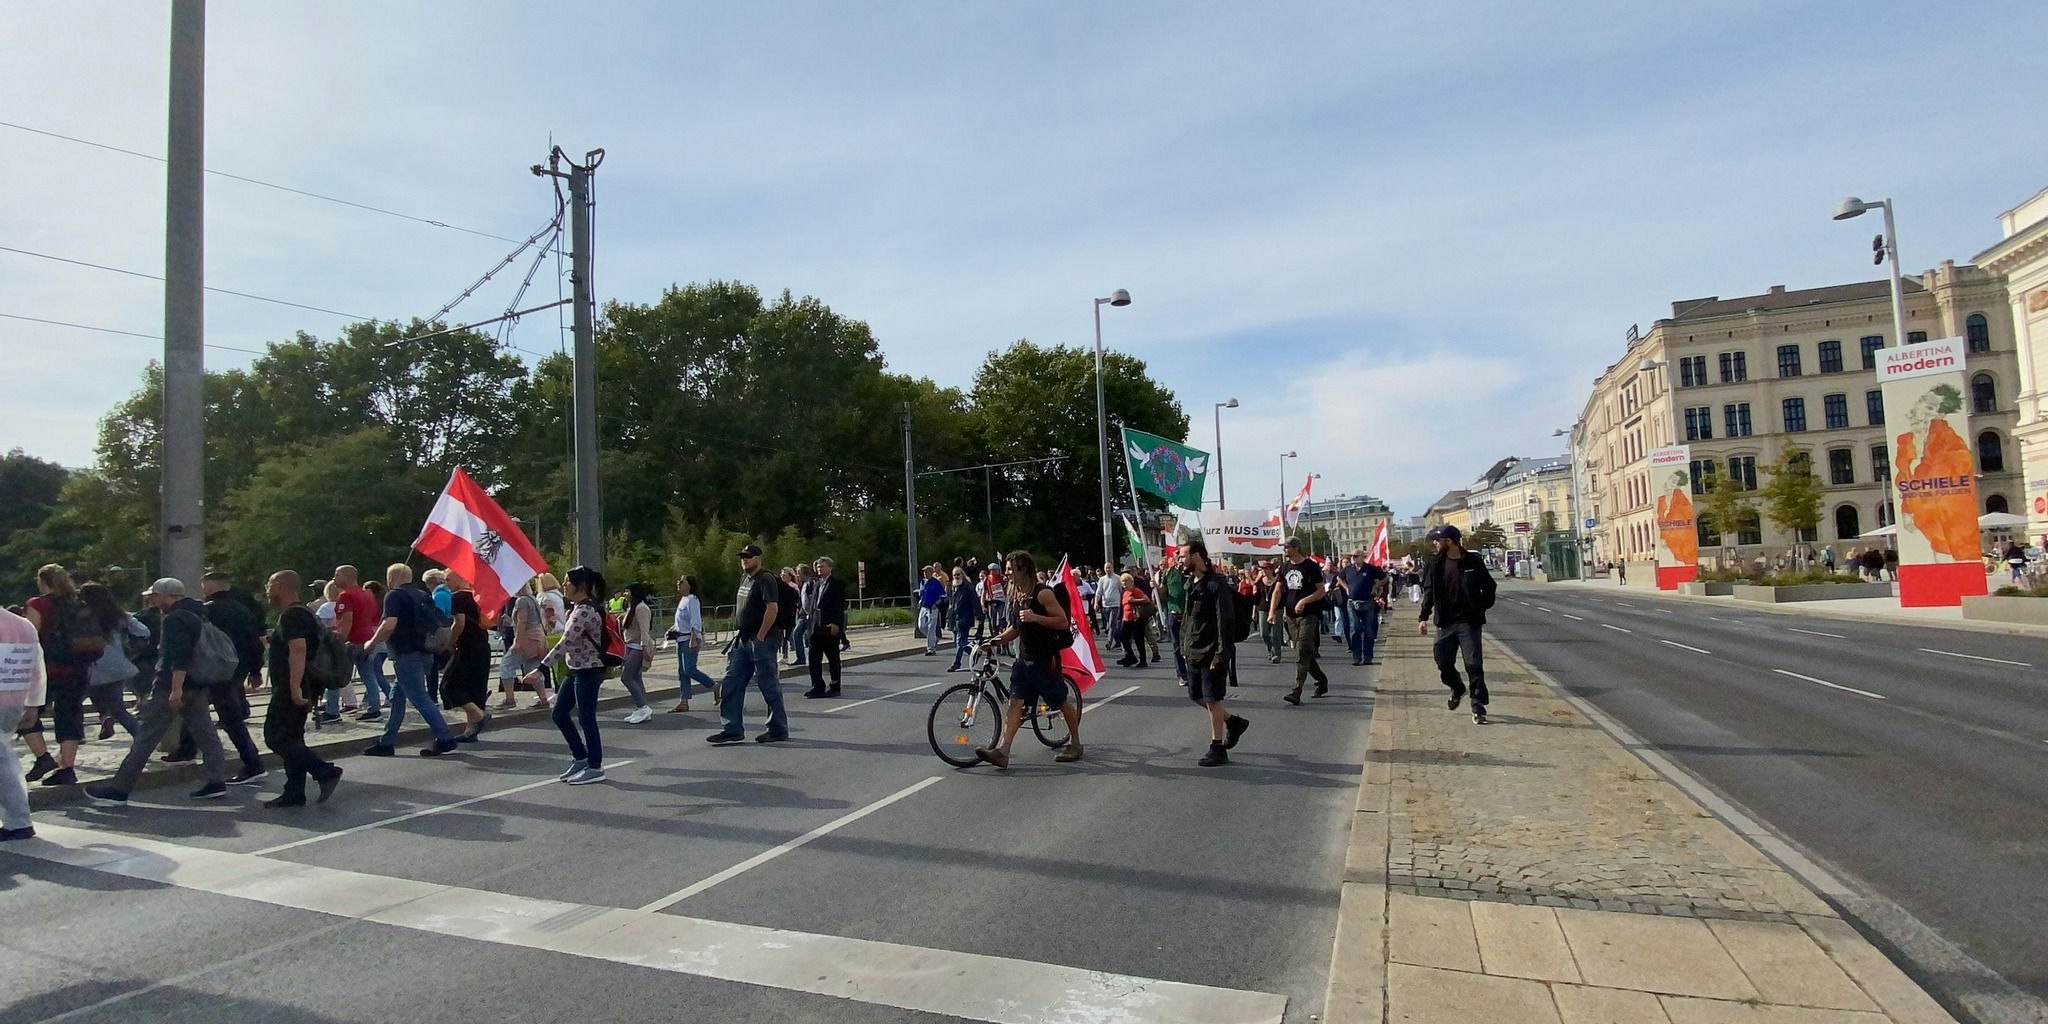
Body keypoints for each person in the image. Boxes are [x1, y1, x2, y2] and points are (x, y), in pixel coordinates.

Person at [86, 578, 231, 803]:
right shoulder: (199, 614)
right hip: (197, 684)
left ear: (167, 595)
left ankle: (119, 788)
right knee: (206, 735)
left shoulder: (175, 618)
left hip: (172, 686)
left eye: (155, 595)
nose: (152, 600)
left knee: (146, 737)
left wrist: (175, 689)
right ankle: (216, 781)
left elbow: (179, 655)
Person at [973, 550, 1085, 768]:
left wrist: (1036, 617)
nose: (1006, 573)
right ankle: (1003, 751)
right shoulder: (1017, 594)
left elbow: (1062, 621)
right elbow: (1015, 628)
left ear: (1023, 569)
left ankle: (1076, 744)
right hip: (1024, 660)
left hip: (1044, 660)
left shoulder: (1043, 594)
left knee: (1060, 701)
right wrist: (993, 641)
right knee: (1015, 703)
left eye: (1009, 569)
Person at [258, 570, 343, 808]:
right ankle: (294, 792)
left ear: (281, 586)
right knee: (293, 737)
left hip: (294, 686)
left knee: (275, 736)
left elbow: (298, 649)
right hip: (304, 684)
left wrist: (294, 687)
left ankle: (324, 771)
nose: (267, 590)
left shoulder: (293, 615)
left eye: (270, 584)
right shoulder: (304, 613)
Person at [174, 573, 268, 784]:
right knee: (223, 715)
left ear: (207, 588)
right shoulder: (243, 610)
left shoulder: (207, 611)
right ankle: (251, 762)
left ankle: (189, 750)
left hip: (212, 669)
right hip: (236, 669)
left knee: (210, 712)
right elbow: (255, 643)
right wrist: (255, 670)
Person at [361, 563, 460, 757]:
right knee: (397, 698)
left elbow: (389, 624)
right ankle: (387, 741)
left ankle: (445, 738)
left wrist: (371, 643)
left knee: (420, 698)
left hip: (406, 654)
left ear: (391, 578)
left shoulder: (394, 595)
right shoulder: (422, 595)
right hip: (425, 652)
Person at [524, 565, 611, 784]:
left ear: (579, 586)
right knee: (559, 713)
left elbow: (566, 642)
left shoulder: (585, 610)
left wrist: (541, 668)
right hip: (576, 669)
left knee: (586, 718)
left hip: (589, 670)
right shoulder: (577, 607)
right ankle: (580, 757)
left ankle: (595, 766)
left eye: (567, 581)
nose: (563, 585)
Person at [707, 543, 790, 745]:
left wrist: (761, 635)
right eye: (742, 557)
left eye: (748, 556)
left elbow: (772, 608)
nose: (744, 560)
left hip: (762, 640)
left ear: (758, 558)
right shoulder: (745, 578)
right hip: (742, 639)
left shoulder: (766, 579)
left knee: (768, 684)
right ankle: (732, 729)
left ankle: (778, 729)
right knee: (731, 683)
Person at [1417, 524, 1498, 726]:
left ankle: (1478, 706)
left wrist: (1480, 607)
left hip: (1469, 623)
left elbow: (1490, 587)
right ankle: (1457, 687)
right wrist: (1423, 617)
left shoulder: (1472, 561)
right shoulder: (1435, 564)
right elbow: (1429, 592)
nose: (1435, 543)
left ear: (1450, 541)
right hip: (1445, 623)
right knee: (1443, 662)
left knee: (1474, 666)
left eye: (1438, 540)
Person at [1180, 538, 1249, 767]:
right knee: (1196, 696)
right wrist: (1184, 645)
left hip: (1211, 652)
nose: (1180, 560)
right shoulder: (1191, 583)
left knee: (1212, 700)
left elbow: (1224, 621)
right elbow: (1189, 619)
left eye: (1183, 556)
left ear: (1197, 556)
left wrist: (1221, 653)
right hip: (1193, 650)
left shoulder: (1215, 585)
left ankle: (1217, 748)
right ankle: (1233, 722)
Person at [2, 604, 47, 838]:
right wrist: (33, 703)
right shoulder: (23, 626)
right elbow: (36, 668)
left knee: (4, 762)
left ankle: (18, 820)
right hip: (13, 702)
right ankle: (19, 819)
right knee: (4, 759)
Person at [77, 583, 142, 742]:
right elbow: (143, 631)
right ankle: (142, 739)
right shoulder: (118, 615)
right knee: (119, 709)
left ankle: (75, 737)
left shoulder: (80, 616)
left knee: (73, 704)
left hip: (89, 666)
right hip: (116, 667)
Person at [437, 572, 495, 742]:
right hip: (482, 645)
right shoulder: (478, 596)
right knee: (475, 688)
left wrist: (450, 641)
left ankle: (479, 715)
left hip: (467, 646)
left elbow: (459, 623)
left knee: (448, 685)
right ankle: (471, 731)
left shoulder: (458, 597)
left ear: (460, 578)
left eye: (448, 579)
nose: (446, 583)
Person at [1273, 538, 1330, 704]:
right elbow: (1278, 590)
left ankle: (1296, 690)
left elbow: (1321, 591)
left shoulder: (1310, 566)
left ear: (1296, 548)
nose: (1284, 550)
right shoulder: (1284, 567)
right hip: (1291, 616)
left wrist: (1304, 601)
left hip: (1309, 614)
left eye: (1287, 547)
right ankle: (1322, 680)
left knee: (1302, 649)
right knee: (1304, 652)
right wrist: (1272, 611)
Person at [497, 582, 554, 711]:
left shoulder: (521, 601)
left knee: (506, 665)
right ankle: (543, 700)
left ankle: (510, 699)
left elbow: (523, 622)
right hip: (538, 638)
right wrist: (512, 622)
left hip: (527, 639)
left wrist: (517, 641)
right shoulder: (532, 599)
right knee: (532, 668)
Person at [668, 575, 719, 711]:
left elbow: (695, 620)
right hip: (680, 639)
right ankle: (684, 701)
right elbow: (680, 621)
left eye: (682, 581)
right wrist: (672, 630)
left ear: (689, 585)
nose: (678, 583)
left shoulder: (692, 600)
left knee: (689, 669)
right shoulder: (683, 600)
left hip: (689, 639)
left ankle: (713, 685)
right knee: (682, 671)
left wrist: (694, 638)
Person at [804, 558, 847, 697]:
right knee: (813, 659)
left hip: (829, 626)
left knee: (833, 657)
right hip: (815, 627)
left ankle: (835, 686)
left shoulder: (836, 584)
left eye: (822, 566)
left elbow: (839, 606)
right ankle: (817, 686)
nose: (819, 569)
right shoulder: (816, 584)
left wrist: (837, 623)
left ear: (830, 568)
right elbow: (813, 604)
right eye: (817, 567)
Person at [1338, 550, 1386, 666]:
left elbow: (1385, 578)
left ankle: (1368, 657)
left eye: (1356, 556)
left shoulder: (1370, 569)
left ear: (1362, 557)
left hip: (1367, 602)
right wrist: (1346, 588)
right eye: (1352, 556)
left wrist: (1376, 586)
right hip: (1352, 602)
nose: (1353, 558)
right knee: (1355, 629)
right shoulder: (1348, 569)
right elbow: (1339, 578)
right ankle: (1356, 656)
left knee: (1368, 630)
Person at [617, 582, 655, 723]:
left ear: (634, 593)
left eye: (627, 591)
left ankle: (643, 707)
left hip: (638, 647)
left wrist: (645, 649)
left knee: (626, 677)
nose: (625, 594)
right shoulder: (633, 607)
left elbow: (645, 630)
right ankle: (642, 708)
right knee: (636, 678)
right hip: (631, 646)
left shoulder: (641, 608)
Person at [946, 567, 981, 672]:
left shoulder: (968, 587)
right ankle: (973, 652)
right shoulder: (953, 587)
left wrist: (979, 616)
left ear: (962, 575)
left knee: (960, 642)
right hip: (954, 619)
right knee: (959, 642)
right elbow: (951, 604)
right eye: (954, 575)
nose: (956, 577)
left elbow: (975, 602)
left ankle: (956, 664)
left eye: (958, 574)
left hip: (964, 618)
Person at [1117, 572, 1152, 668]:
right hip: (1127, 619)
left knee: (1138, 639)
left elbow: (1147, 600)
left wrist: (1134, 600)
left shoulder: (1136, 590)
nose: (1124, 583)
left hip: (1136, 619)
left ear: (1131, 582)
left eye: (1126, 581)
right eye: (1122, 581)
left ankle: (1143, 660)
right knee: (1123, 638)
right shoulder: (1125, 592)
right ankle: (1130, 656)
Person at [918, 566, 946, 656]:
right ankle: (934, 639)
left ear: (931, 572)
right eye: (924, 572)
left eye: (927, 572)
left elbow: (943, 595)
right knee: (921, 626)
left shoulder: (936, 582)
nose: (925, 573)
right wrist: (920, 601)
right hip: (924, 607)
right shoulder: (922, 582)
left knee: (931, 628)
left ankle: (931, 649)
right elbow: (922, 594)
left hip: (933, 608)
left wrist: (936, 604)